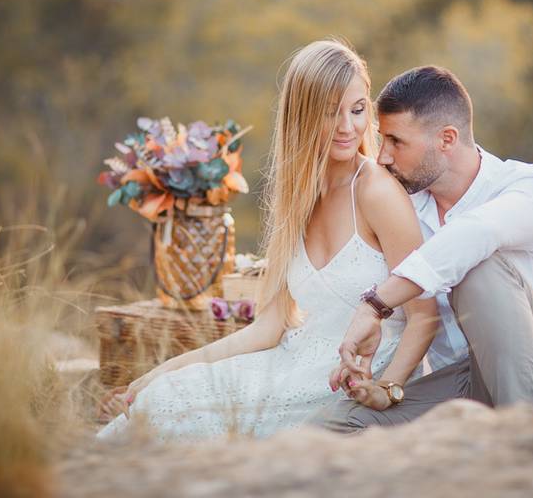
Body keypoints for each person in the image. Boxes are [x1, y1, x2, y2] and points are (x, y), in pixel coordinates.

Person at [96, 40, 439, 442]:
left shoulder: (376, 192)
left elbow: (424, 315)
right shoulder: (298, 199)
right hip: (290, 363)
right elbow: (269, 327)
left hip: (357, 377)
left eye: (358, 109)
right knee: (161, 398)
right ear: (302, 115)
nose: (348, 127)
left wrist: (387, 390)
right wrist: (164, 371)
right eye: (330, 112)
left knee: (176, 424)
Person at [315, 65, 533, 433]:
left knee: (480, 270)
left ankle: (529, 447)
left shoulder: (530, 190)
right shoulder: (405, 207)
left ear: (446, 139)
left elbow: (477, 234)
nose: (383, 157)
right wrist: (383, 383)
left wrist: (376, 304)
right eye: (382, 139)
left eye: (396, 142)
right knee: (337, 426)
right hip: (464, 384)